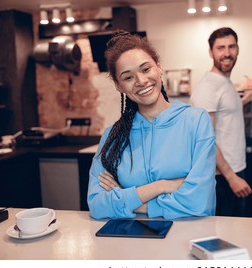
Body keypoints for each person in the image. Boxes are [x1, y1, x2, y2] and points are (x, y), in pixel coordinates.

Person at [87, 30, 216, 220]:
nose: (141, 81)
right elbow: (98, 206)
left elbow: (199, 202)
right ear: (118, 85)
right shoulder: (112, 136)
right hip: (129, 243)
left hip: (186, 238)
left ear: (159, 68)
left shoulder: (196, 121)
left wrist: (129, 198)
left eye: (146, 69)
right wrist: (161, 186)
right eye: (128, 77)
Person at [190, 27, 252, 217]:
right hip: (222, 177)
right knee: (223, 236)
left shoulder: (224, 82)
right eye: (220, 48)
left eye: (231, 47)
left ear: (238, 49)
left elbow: (224, 111)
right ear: (210, 52)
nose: (227, 53)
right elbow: (206, 139)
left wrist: (245, 100)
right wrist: (232, 178)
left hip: (235, 168)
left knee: (237, 232)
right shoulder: (207, 87)